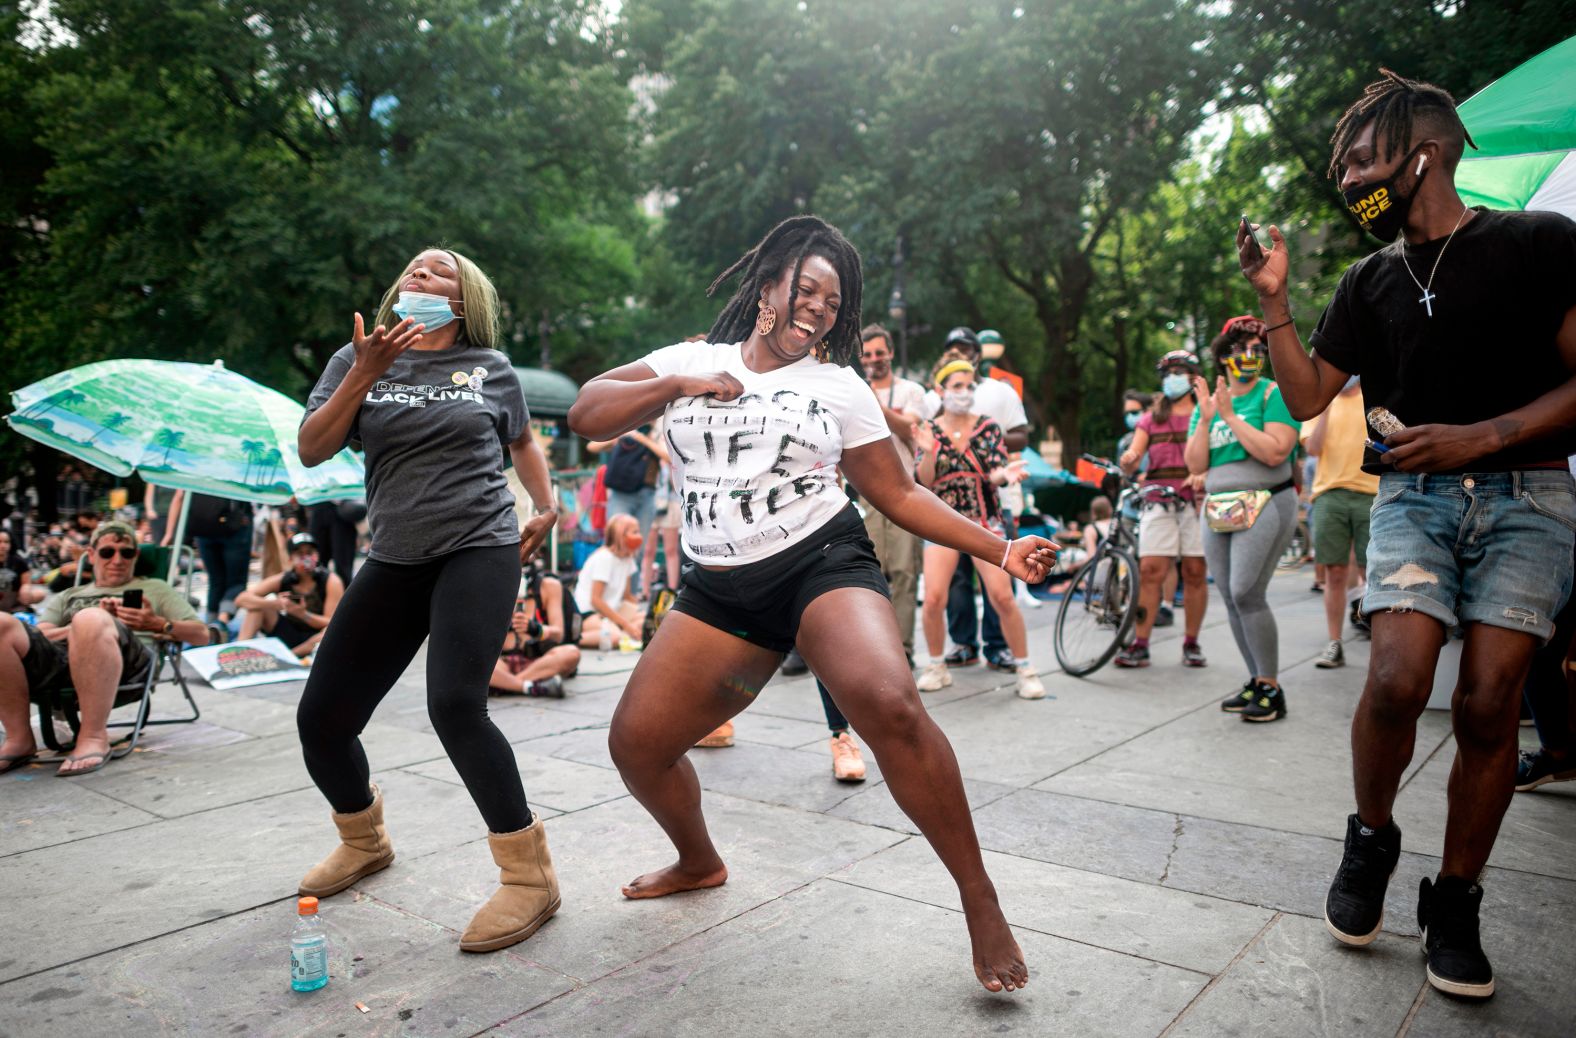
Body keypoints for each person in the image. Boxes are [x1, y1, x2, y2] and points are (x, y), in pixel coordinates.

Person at [567, 214, 1056, 994]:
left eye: (834, 302)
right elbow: (587, 413)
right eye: (808, 290)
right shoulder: (692, 358)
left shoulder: (837, 386)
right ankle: (699, 861)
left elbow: (896, 492)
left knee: (888, 703)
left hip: (818, 564)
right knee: (637, 746)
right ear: (767, 288)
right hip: (719, 590)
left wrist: (997, 547)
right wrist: (674, 383)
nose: (821, 309)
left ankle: (979, 896)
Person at [1238, 69, 1576, 999]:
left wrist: (1489, 433)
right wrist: (1274, 299)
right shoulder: (1370, 277)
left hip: (1530, 495)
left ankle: (1456, 899)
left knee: (1489, 701)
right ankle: (1372, 840)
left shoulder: (1538, 243)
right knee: (1393, 680)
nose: (1346, 178)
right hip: (1415, 503)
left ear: (1421, 152)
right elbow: (1308, 397)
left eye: (1359, 158)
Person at [294, 246, 561, 954]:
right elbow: (313, 448)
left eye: (439, 270)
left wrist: (546, 501)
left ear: (464, 297)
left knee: (454, 705)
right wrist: (364, 374)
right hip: (394, 555)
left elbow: (524, 439)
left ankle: (529, 877)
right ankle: (364, 839)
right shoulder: (355, 359)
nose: (421, 274)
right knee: (322, 718)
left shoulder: (490, 367)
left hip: (479, 545)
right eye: (413, 268)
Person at [0, 520, 210, 776]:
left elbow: (202, 635)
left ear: (136, 556)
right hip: (62, 662)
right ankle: (19, 739)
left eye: (127, 552)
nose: (118, 559)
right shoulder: (70, 594)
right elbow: (41, 634)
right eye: (108, 552)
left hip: (129, 665)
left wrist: (157, 623)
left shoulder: (156, 588)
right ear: (91, 555)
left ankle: (93, 735)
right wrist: (77, 629)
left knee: (90, 619)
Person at [1185, 317, 1301, 721]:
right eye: (1241, 349)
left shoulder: (1274, 394)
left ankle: (1271, 687)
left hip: (1267, 500)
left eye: (1257, 349)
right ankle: (1256, 680)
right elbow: (1195, 463)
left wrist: (1231, 417)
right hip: (1218, 505)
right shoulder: (1211, 404)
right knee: (1233, 598)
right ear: (1223, 356)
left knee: (1247, 591)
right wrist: (1205, 417)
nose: (1250, 357)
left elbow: (1274, 452)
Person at [913, 352, 1044, 699]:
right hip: (942, 522)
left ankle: (1026, 669)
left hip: (984, 521)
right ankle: (937, 665)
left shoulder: (987, 425)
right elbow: (923, 482)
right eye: (956, 385)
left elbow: (995, 472)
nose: (964, 391)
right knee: (934, 599)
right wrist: (927, 452)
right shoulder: (929, 430)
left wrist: (1008, 474)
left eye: (968, 385)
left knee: (1003, 596)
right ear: (940, 391)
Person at [1118, 351, 1209, 668]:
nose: (1173, 377)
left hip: (1197, 501)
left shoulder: (1206, 413)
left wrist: (1204, 474)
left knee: (1195, 573)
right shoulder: (1151, 418)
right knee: (1150, 571)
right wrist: (1128, 461)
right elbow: (1132, 455)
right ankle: (1140, 643)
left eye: (1180, 371)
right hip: (1157, 500)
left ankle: (1191, 642)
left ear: (1193, 376)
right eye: (1168, 372)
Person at [1301, 376, 1379, 668]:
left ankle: (1381, 646)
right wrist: (1326, 405)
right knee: (1334, 572)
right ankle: (1334, 642)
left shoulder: (1372, 398)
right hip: (1329, 494)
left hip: (1370, 492)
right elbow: (1313, 448)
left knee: (1373, 571)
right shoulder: (1321, 404)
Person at [235, 532, 344, 658]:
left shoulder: (331, 581)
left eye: (309, 553)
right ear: (290, 559)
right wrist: (275, 604)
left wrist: (303, 615)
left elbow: (332, 622)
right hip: (288, 633)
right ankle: (239, 653)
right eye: (300, 554)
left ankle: (290, 657)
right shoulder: (283, 579)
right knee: (256, 607)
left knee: (330, 632)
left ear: (317, 555)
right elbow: (241, 599)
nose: (306, 558)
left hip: (316, 638)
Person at [588, 427, 662, 593]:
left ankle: (631, 596)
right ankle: (605, 593)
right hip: (621, 494)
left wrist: (644, 440)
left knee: (637, 549)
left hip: (646, 495)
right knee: (614, 543)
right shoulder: (627, 426)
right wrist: (619, 435)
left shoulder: (657, 431)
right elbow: (592, 447)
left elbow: (668, 457)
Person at [492, 564, 581, 699]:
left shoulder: (549, 586)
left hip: (539, 663)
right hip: (502, 663)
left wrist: (536, 629)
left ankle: (510, 685)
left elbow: (559, 634)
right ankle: (530, 686)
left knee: (571, 653)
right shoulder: (492, 586)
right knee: (471, 663)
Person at [573, 514, 645, 648]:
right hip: (589, 614)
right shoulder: (604, 558)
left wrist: (647, 613)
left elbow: (627, 596)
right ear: (621, 536)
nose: (639, 536)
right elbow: (596, 600)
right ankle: (570, 639)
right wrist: (626, 624)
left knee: (646, 622)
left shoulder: (628, 559)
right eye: (634, 532)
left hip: (610, 613)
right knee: (615, 637)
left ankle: (623, 632)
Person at [0, 530, 45, 612]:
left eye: (6, 542)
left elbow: (26, 583)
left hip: (14, 597)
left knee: (40, 593)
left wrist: (25, 589)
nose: (3, 545)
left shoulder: (19, 561)